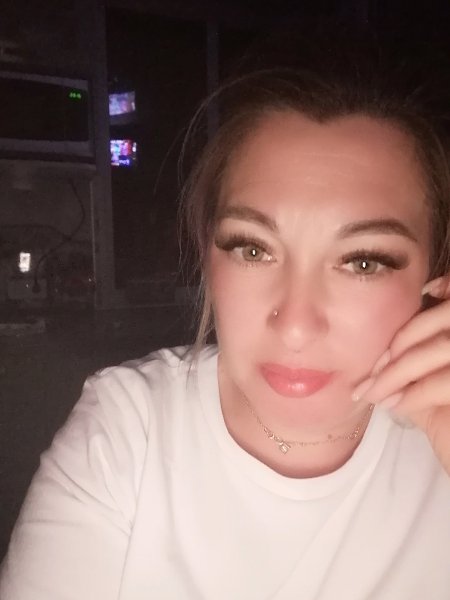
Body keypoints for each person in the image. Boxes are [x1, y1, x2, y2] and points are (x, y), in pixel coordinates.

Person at [1, 29, 450, 599]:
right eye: (253, 249)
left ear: (436, 277)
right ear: (208, 252)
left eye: (363, 262)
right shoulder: (129, 432)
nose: (294, 324)